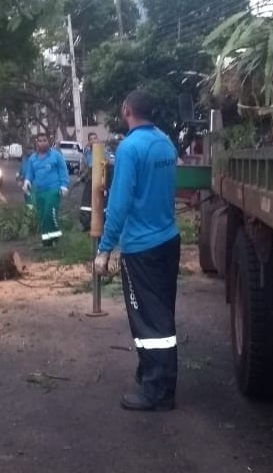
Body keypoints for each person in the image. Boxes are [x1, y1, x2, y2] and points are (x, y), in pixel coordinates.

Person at [94, 90, 180, 412]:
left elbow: (119, 204)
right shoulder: (165, 143)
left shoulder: (130, 148)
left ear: (127, 109)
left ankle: (156, 391)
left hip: (141, 247)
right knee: (162, 316)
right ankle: (154, 378)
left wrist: (105, 249)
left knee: (148, 323)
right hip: (168, 240)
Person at [23, 133, 69, 247]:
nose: (43, 143)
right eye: (40, 141)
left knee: (50, 214)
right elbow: (30, 173)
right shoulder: (33, 158)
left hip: (53, 190)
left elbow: (63, 170)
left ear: (48, 142)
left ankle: (55, 238)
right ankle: (46, 241)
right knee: (42, 216)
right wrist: (27, 181)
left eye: (45, 140)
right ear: (36, 143)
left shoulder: (56, 156)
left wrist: (64, 185)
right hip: (39, 192)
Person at [79, 132, 98, 231]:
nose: (94, 140)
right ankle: (86, 223)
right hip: (89, 181)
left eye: (95, 138)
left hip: (100, 182)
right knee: (86, 203)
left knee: (100, 203)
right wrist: (82, 176)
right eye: (91, 139)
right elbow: (84, 167)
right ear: (89, 141)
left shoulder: (103, 151)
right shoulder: (86, 154)